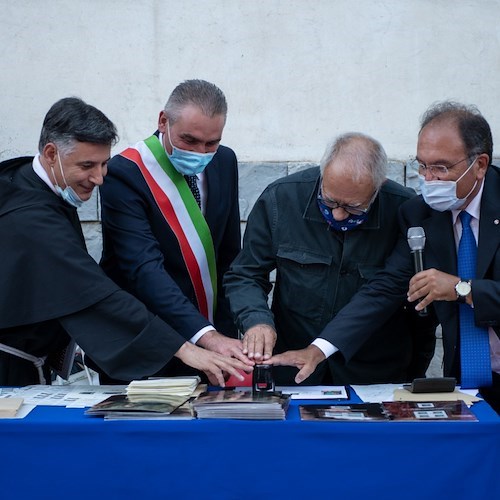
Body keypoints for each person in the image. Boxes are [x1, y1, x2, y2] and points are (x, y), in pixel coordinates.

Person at [0, 97, 251, 387]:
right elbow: (93, 291)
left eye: (104, 164)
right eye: (87, 165)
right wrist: (184, 348)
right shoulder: (31, 217)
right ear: (51, 153)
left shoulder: (25, 181)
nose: (99, 178)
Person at [267, 102, 500, 412]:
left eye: (441, 167)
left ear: (480, 164)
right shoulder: (420, 213)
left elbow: (462, 288)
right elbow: (386, 287)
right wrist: (319, 349)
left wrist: (463, 289)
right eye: (422, 165)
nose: (429, 178)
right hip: (469, 379)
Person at [224, 132, 437, 386]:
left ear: (379, 186)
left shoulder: (404, 210)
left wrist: (415, 371)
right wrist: (256, 320)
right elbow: (245, 274)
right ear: (323, 173)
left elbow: (405, 299)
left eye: (353, 207)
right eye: (330, 200)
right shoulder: (281, 199)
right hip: (293, 369)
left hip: (374, 373)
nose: (337, 215)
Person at [99, 79, 251, 380]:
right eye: (189, 140)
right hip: (147, 342)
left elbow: (229, 256)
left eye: (211, 142)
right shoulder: (125, 173)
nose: (201, 152)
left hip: (213, 345)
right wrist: (205, 335)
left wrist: (223, 334)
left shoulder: (224, 161)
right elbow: (143, 269)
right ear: (163, 122)